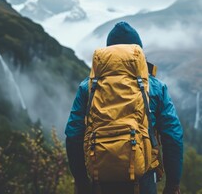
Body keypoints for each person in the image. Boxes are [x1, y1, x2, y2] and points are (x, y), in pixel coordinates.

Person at [65, 21, 183, 194]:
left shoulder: (88, 88)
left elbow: (73, 135)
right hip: (144, 183)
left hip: (100, 181)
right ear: (139, 54)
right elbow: (173, 136)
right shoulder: (155, 87)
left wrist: (81, 182)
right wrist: (173, 185)